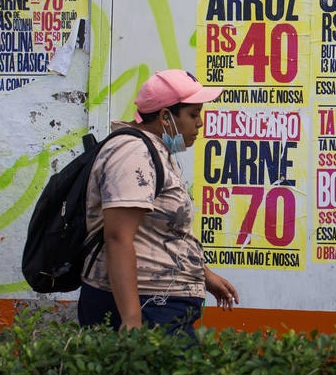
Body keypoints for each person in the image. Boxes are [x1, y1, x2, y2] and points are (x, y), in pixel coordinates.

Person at [78, 69, 239, 338]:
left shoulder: (153, 150)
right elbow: (118, 237)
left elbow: (157, 232)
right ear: (166, 117)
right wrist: (131, 319)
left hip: (156, 302)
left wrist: (203, 274)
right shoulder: (133, 155)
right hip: (147, 306)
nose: (199, 123)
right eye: (193, 114)